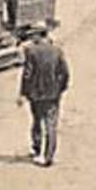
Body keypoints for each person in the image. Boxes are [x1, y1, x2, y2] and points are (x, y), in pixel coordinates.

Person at [17, 23, 70, 166]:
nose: (32, 38)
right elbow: (64, 73)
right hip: (53, 94)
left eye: (33, 35)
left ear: (39, 35)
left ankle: (37, 149)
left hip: (35, 94)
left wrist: (23, 93)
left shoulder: (31, 51)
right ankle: (48, 156)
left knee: (37, 121)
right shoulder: (57, 51)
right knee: (50, 124)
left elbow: (27, 74)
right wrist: (60, 89)